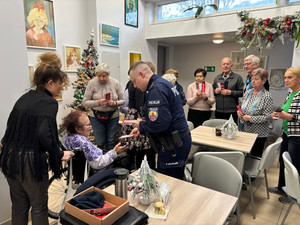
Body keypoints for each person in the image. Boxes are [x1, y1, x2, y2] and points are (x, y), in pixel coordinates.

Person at [0, 52, 74, 225]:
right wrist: (58, 154)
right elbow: (44, 133)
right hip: (30, 163)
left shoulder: (24, 98)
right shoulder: (49, 103)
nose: (61, 88)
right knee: (39, 206)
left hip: (10, 159)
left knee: (19, 206)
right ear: (50, 83)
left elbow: (10, 127)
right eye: (60, 84)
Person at [129, 61, 191, 179]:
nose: (135, 86)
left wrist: (141, 125)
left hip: (173, 144)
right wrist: (142, 128)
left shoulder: (156, 89)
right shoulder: (163, 83)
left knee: (169, 183)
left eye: (134, 81)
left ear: (142, 74)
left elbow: (160, 124)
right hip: (176, 141)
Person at [269, 67, 300, 204]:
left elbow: (294, 116)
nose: (286, 80)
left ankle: (294, 195)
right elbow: (285, 111)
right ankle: (282, 187)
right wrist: (278, 114)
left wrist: (287, 116)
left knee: (294, 166)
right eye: (285, 77)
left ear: (298, 78)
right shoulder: (290, 94)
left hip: (297, 137)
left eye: (290, 77)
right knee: (282, 162)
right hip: (287, 133)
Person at [121, 62, 156, 170]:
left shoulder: (130, 84)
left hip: (130, 117)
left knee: (132, 151)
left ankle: (131, 171)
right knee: (144, 151)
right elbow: (141, 105)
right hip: (139, 118)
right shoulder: (141, 86)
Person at [83, 62, 124, 151]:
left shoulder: (115, 83)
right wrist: (98, 102)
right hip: (96, 117)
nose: (101, 78)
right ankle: (100, 164)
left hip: (113, 116)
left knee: (110, 141)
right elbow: (85, 102)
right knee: (100, 142)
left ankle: (110, 163)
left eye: (104, 76)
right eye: (99, 76)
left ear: (108, 74)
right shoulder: (91, 83)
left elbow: (123, 100)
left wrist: (115, 103)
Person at [237, 68, 273, 157]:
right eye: (252, 79)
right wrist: (239, 112)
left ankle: (252, 170)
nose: (253, 81)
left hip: (258, 133)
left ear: (264, 80)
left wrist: (250, 118)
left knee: (254, 157)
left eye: (256, 79)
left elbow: (268, 117)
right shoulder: (248, 92)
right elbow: (242, 107)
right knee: (243, 155)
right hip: (244, 130)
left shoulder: (266, 96)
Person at [213, 57, 244, 123]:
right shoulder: (217, 78)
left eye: (227, 64)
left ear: (231, 65)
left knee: (231, 131)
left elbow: (242, 92)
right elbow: (212, 91)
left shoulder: (237, 78)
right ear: (221, 66)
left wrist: (231, 92)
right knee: (219, 130)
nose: (225, 66)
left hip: (232, 111)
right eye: (223, 64)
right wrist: (215, 91)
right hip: (219, 110)